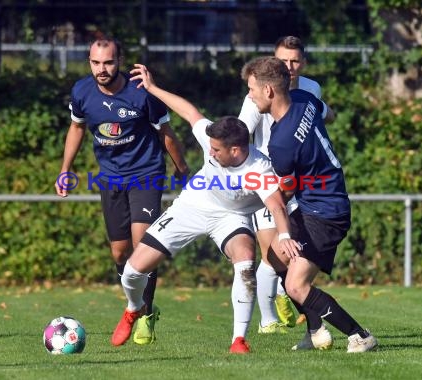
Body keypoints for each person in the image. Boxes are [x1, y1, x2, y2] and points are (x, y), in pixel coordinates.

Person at [110, 63, 301, 354]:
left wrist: (285, 236)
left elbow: (276, 205)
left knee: (246, 260)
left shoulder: (259, 168)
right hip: (192, 207)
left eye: (216, 150)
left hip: (232, 218)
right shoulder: (214, 138)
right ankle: (133, 308)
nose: (209, 153)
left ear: (235, 150)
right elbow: (189, 112)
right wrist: (152, 88)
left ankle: (238, 340)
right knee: (132, 272)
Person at [55, 34, 189, 346]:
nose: (101, 69)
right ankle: (137, 302)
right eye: (95, 62)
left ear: (120, 62)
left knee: (142, 245)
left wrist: (182, 170)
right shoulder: (82, 91)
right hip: (110, 179)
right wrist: (65, 169)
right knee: (119, 252)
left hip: (146, 174)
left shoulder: (142, 93)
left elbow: (166, 134)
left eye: (108, 62)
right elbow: (76, 128)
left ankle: (144, 314)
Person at [241, 56, 378, 353]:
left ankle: (359, 335)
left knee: (295, 286)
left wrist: (266, 200)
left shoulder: (281, 143)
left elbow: (287, 190)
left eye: (251, 89)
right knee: (276, 256)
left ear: (268, 91)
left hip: (325, 213)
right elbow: (328, 115)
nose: (249, 96)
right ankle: (315, 331)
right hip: (322, 203)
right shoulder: (304, 98)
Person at [238, 36, 335, 334]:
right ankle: (268, 319)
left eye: (295, 61)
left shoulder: (310, 88)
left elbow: (323, 113)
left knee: (294, 249)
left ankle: (288, 295)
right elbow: (241, 135)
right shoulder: (256, 96)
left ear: (303, 63)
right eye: (283, 61)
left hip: (302, 181)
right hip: (271, 180)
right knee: (272, 254)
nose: (289, 67)